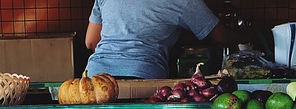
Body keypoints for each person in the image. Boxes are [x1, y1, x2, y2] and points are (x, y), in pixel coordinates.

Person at [84, 0, 227, 79]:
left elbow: (91, 41)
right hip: (144, 77)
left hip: (94, 76)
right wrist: (245, 34)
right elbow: (220, 36)